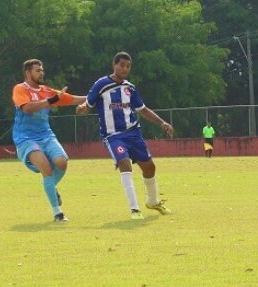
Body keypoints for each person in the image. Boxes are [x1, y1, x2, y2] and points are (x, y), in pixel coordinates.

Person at [76, 51, 174, 220]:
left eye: (128, 66)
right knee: (124, 163)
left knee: (149, 167)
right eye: (121, 65)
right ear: (114, 65)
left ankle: (153, 201)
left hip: (133, 133)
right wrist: (82, 108)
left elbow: (142, 110)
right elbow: (88, 103)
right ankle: (135, 209)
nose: (124, 68)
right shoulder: (101, 84)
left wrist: (162, 123)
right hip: (113, 135)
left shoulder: (130, 88)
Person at [13, 59, 87, 223]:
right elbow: (27, 108)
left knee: (62, 162)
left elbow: (73, 99)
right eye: (37, 70)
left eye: (42, 70)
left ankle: (51, 188)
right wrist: (51, 101)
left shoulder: (46, 90)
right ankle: (58, 213)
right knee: (46, 167)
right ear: (28, 73)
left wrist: (96, 96)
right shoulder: (20, 88)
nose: (42, 73)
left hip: (46, 135)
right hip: (25, 139)